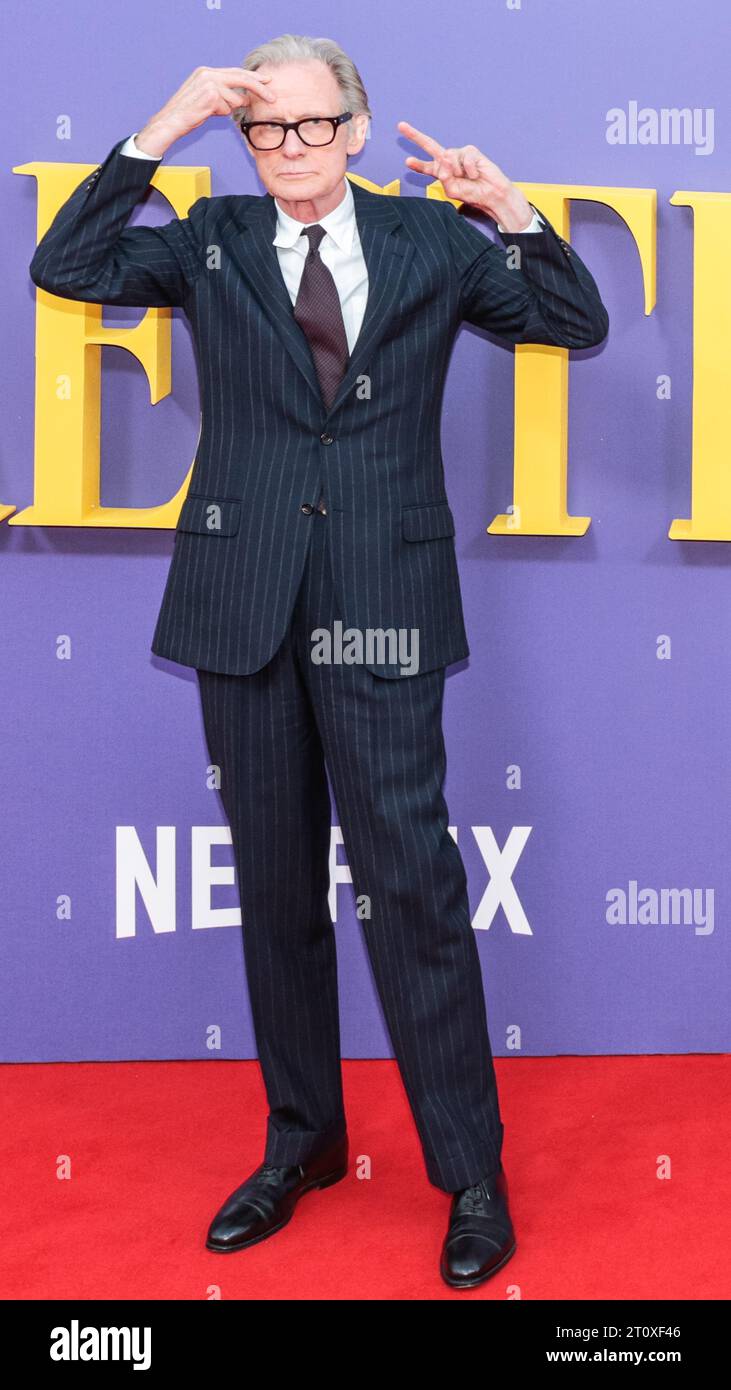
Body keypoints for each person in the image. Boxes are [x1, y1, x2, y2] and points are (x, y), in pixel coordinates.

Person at [29, 33, 609, 1289]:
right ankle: (301, 1143)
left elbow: (575, 320)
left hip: (383, 604)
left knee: (410, 887)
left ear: (355, 126)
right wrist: (166, 124)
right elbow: (62, 261)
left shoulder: (430, 243)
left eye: (306, 126)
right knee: (279, 890)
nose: (284, 151)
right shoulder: (212, 237)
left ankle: (469, 1174)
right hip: (243, 603)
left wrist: (506, 209)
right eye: (261, 130)